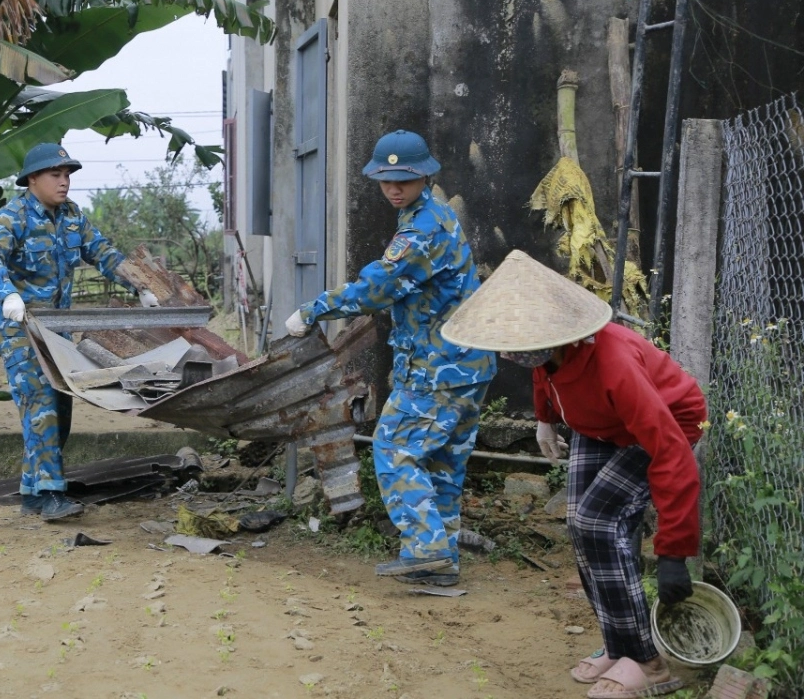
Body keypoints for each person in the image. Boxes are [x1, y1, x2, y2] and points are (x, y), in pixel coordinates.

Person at [440, 249, 704, 699]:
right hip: (598, 424)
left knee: (596, 522)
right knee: (578, 525)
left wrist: (673, 553)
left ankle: (647, 661)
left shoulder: (614, 364)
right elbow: (546, 374)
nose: (512, 351)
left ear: (562, 332)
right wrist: (544, 417)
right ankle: (620, 642)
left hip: (667, 424)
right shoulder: (547, 353)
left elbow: (672, 453)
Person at [284, 130, 496, 586]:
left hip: (439, 367)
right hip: (465, 364)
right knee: (439, 462)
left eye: (404, 178)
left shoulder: (421, 230)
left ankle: (428, 551)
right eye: (386, 179)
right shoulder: (428, 214)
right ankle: (440, 563)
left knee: (395, 445)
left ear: (424, 174)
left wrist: (312, 311)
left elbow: (377, 288)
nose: (394, 188)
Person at [0, 143, 158, 522]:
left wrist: (140, 286)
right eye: (55, 175)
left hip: (58, 328)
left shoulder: (72, 217)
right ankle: (49, 492)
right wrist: (6, 294)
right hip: (20, 326)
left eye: (67, 176)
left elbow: (104, 253)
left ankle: (35, 492)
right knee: (40, 402)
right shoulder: (11, 217)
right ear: (32, 179)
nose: (64, 183)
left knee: (60, 405)